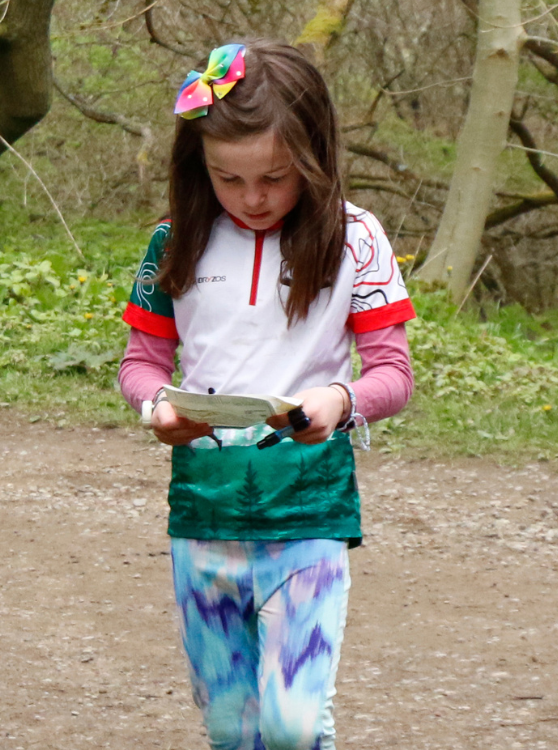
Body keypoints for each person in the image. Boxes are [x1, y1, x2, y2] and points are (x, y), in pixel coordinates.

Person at [116, 39, 416, 750]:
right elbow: (142, 361)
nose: (252, 199)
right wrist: (157, 408)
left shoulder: (358, 239)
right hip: (203, 511)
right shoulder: (172, 242)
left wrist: (340, 403)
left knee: (290, 727)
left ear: (314, 158)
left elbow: (392, 374)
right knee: (230, 727)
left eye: (275, 179)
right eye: (228, 178)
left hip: (309, 511)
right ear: (201, 168)